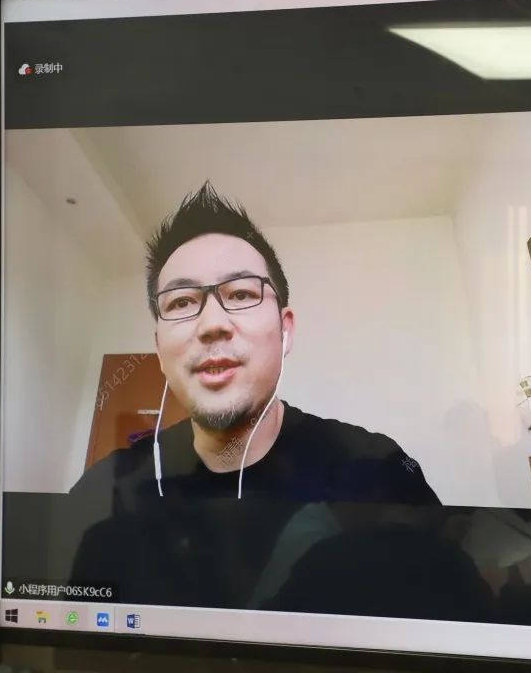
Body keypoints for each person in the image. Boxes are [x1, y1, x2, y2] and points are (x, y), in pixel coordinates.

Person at [69, 182, 440, 506]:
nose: (212, 325)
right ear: (159, 352)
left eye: (242, 294)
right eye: (181, 302)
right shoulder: (102, 493)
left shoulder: (381, 474)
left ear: (285, 331)